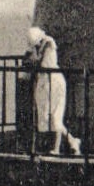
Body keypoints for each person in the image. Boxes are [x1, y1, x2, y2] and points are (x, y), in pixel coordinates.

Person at [26, 25, 81, 156]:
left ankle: (56, 149)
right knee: (45, 116)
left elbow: (42, 64)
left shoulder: (49, 45)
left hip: (54, 83)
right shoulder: (39, 47)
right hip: (45, 83)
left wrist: (34, 56)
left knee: (56, 116)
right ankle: (73, 141)